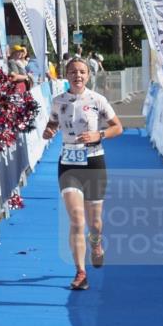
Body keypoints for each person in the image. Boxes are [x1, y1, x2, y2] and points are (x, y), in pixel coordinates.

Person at [42, 56, 124, 291]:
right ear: (66, 76)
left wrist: (100, 135)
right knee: (77, 220)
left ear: (88, 76)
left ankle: (96, 243)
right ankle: (80, 272)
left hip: (94, 162)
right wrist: (49, 131)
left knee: (95, 223)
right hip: (68, 163)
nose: (77, 75)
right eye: (73, 72)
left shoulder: (98, 100)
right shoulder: (58, 101)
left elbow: (118, 127)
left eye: (82, 72)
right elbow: (53, 123)